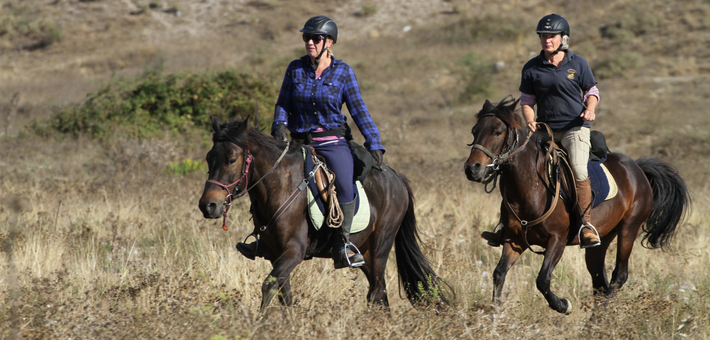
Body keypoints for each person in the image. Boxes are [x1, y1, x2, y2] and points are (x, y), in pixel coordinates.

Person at [253, 15, 385, 268]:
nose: (310, 43)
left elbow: (359, 111)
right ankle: (263, 238)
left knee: (345, 185)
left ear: (330, 42)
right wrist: (279, 125)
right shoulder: (295, 68)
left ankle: (343, 243)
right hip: (299, 143)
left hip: (332, 143)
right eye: (306, 37)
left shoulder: (344, 72)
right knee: (267, 180)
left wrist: (374, 142)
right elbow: (283, 102)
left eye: (315, 38)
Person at [484, 14, 601, 248]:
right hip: (544, 130)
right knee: (513, 166)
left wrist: (590, 109)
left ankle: (586, 226)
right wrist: (530, 120)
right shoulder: (531, 68)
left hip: (574, 128)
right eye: (543, 36)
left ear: (563, 39)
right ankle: (504, 225)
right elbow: (527, 100)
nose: (547, 40)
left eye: (552, 36)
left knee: (578, 169)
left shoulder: (578, 63)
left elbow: (591, 91)